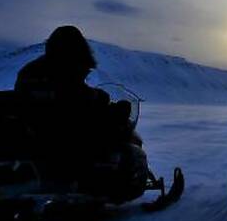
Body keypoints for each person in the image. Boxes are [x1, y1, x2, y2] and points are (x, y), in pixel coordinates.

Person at [13, 26, 143, 200]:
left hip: (33, 136)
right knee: (107, 134)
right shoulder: (64, 68)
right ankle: (103, 185)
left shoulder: (30, 71)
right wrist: (105, 102)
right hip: (62, 140)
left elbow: (70, 97)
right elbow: (74, 98)